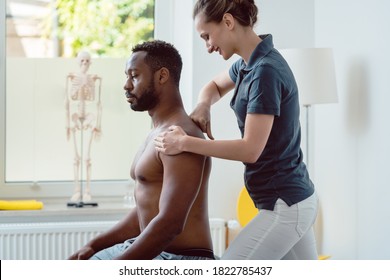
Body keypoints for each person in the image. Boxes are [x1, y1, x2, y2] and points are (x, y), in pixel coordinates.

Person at [154, 0, 318, 260]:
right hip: (293, 201)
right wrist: (203, 105)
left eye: (207, 36)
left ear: (228, 22)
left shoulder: (265, 71)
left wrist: (185, 143)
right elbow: (213, 86)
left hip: (285, 205)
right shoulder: (247, 64)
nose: (208, 47)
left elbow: (250, 149)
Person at [68, 40, 214, 260]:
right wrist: (93, 246)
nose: (126, 85)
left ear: (162, 76)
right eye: (127, 76)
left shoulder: (182, 137)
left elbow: (170, 224)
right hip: (152, 249)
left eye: (134, 76)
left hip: (181, 258)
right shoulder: (157, 132)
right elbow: (145, 213)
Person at [65, 50, 102, 203]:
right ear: (78, 62)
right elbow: (67, 100)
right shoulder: (71, 77)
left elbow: (98, 102)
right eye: (82, 61)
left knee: (87, 158)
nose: (84, 64)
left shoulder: (95, 79)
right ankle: (76, 190)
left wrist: (98, 124)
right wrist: (67, 123)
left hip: (88, 117)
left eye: (87, 61)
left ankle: (87, 190)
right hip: (74, 117)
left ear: (90, 63)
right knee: (76, 158)